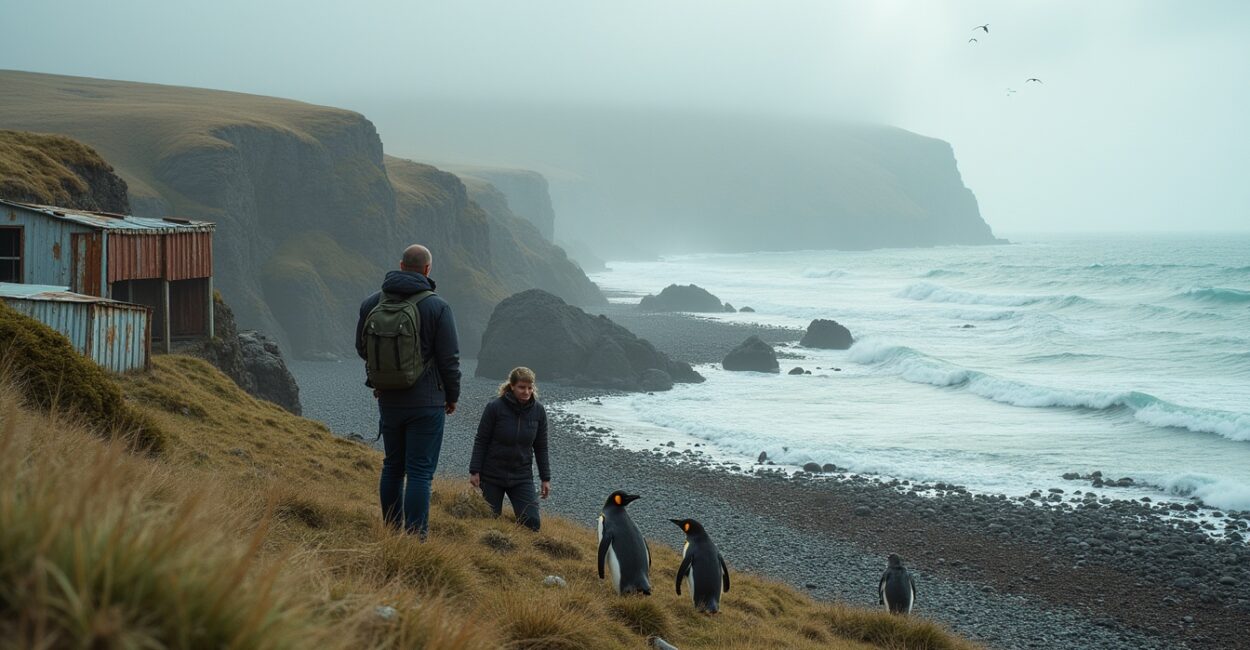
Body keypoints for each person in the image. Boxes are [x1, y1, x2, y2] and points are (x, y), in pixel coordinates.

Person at [356, 244, 460, 539]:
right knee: (419, 472)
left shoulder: (371, 303)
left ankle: (391, 532)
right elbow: (449, 358)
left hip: (388, 398)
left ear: (401, 265)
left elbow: (362, 348)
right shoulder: (437, 306)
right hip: (427, 402)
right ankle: (416, 538)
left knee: (392, 466)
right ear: (428, 270)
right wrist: (451, 396)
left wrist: (384, 377)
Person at [469, 366, 551, 531]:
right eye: (521, 387)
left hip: (521, 476)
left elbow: (541, 447)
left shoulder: (538, 411)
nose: (526, 392)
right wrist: (474, 470)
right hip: (492, 475)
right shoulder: (494, 407)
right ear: (512, 386)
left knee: (532, 523)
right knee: (489, 522)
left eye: (530, 387)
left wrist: (545, 478)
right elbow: (481, 440)